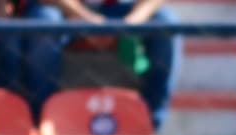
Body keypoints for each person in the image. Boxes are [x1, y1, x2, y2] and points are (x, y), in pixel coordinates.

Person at [22, 0, 181, 128]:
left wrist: (134, 21)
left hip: (121, 10)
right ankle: (42, 120)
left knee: (166, 21)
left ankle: (151, 122)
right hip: (67, 9)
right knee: (44, 22)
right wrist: (86, 19)